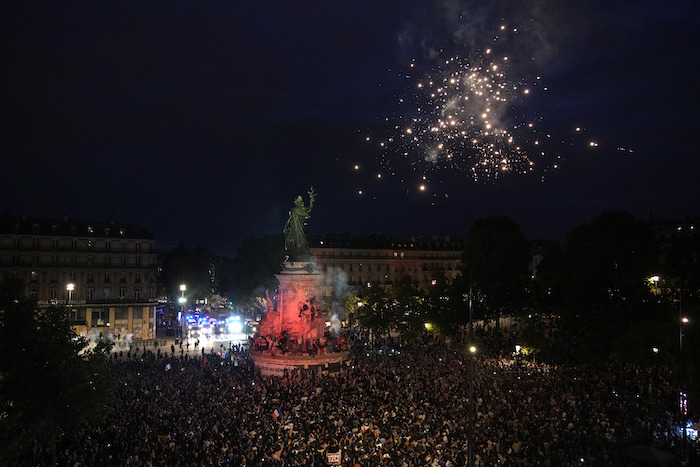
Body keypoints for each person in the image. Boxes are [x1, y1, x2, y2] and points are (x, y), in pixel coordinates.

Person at [283, 187, 316, 259]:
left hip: (299, 228)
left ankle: (298, 254)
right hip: (294, 228)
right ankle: (293, 253)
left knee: (299, 240)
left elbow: (309, 208)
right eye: (298, 201)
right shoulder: (293, 210)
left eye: (299, 201)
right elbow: (289, 219)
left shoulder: (299, 209)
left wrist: (311, 201)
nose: (299, 203)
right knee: (291, 240)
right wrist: (285, 226)